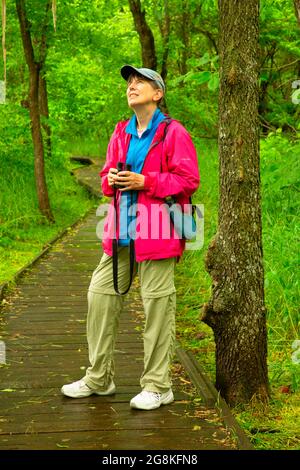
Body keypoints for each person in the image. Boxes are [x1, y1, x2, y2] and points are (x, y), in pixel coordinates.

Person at [61, 65, 200, 410]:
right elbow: (106, 179)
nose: (132, 85)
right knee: (99, 297)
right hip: (120, 230)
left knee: (156, 307)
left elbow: (188, 179)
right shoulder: (121, 132)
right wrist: (114, 178)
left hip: (158, 231)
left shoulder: (173, 132)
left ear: (158, 93)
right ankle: (99, 378)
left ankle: (158, 385)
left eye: (141, 81)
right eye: (129, 82)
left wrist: (146, 181)